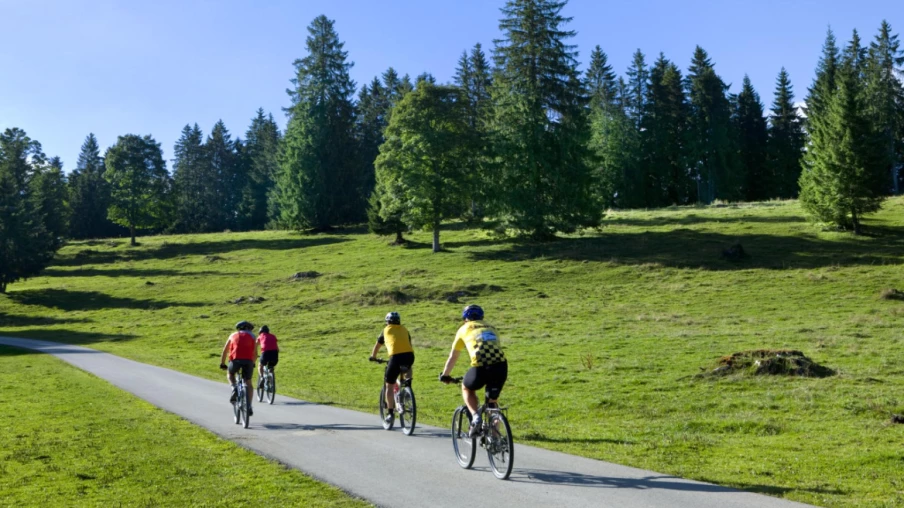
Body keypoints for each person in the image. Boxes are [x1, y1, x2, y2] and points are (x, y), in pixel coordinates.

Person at [440, 304, 507, 437]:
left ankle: (476, 417)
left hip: (481, 366)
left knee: (467, 388)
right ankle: (496, 439)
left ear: (465, 318)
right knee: (492, 402)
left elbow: (453, 356)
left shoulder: (463, 329)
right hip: (501, 366)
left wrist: (445, 375)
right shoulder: (491, 327)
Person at [369, 311, 415, 425]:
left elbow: (377, 345)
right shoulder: (405, 329)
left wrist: (373, 357)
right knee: (407, 368)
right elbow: (408, 344)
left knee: (389, 385)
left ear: (387, 322)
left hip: (395, 358)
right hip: (409, 356)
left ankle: (390, 413)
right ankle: (408, 387)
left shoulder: (385, 330)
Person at [219, 320, 257, 416]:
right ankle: (249, 406)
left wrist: (222, 363)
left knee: (230, 374)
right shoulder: (253, 336)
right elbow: (255, 353)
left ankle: (234, 387)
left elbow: (225, 350)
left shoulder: (232, 335)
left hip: (235, 360)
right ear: (249, 329)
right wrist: (253, 363)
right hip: (248, 361)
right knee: (248, 383)